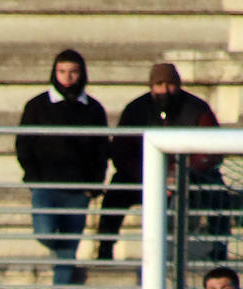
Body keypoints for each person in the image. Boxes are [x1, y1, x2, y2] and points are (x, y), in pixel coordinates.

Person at [97, 62, 229, 269]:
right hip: (145, 179)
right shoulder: (135, 110)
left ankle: (220, 248)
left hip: (189, 178)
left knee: (217, 191)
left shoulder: (197, 109)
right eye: (159, 84)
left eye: (170, 84)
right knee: (116, 191)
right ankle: (104, 248)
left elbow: (211, 150)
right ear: (151, 86)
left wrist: (180, 175)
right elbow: (122, 152)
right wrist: (153, 177)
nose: (165, 90)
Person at [15, 48, 109, 289]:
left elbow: (101, 149)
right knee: (45, 234)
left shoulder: (93, 109)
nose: (67, 77)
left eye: (73, 71)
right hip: (45, 187)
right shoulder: (37, 105)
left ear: (81, 74)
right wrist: (32, 176)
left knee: (68, 249)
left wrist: (93, 185)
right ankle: (65, 265)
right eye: (62, 71)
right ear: (54, 73)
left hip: (77, 192)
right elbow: (23, 144)